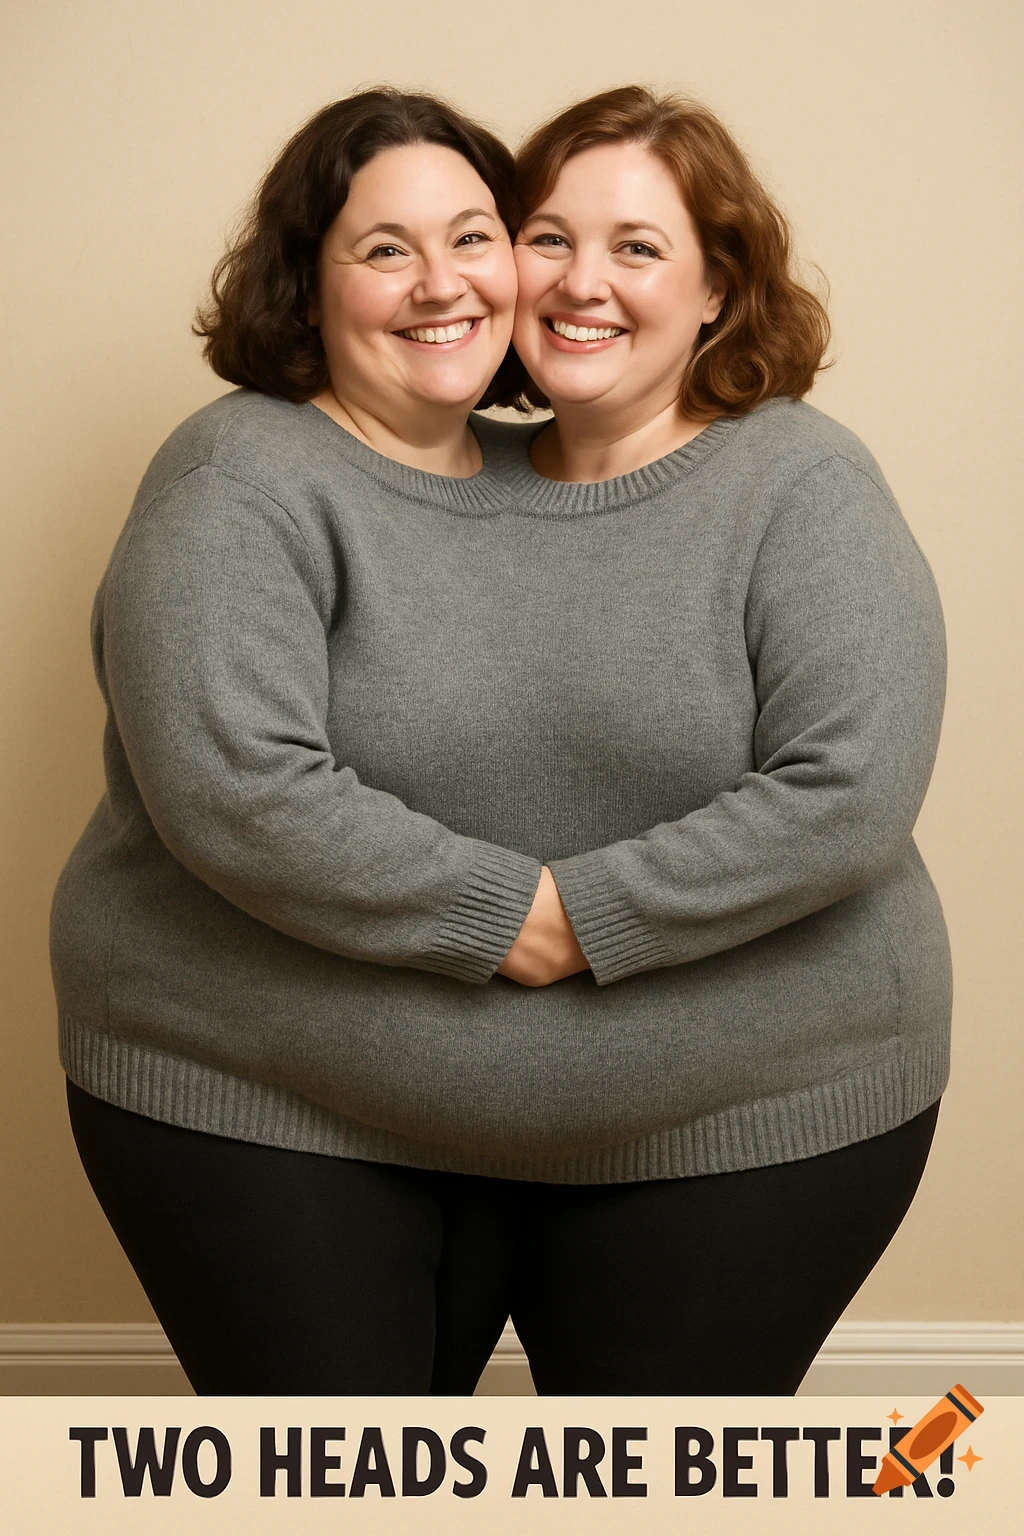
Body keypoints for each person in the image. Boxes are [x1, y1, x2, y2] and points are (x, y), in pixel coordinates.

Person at [51, 79, 951, 1398]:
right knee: (336, 1485)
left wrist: (578, 919)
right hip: (283, 1109)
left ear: (717, 288)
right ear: (308, 282)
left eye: (636, 246)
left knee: (653, 1489)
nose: (573, 281)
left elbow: (849, 788)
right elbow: (241, 787)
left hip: (746, 1127)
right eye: (547, 238)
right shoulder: (240, 477)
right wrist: (507, 920)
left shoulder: (800, 485)